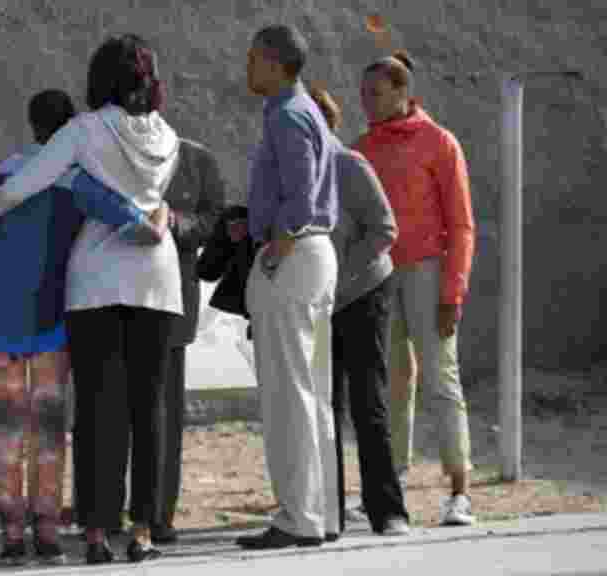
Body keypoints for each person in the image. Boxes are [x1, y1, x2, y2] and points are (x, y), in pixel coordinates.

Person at [0, 34, 182, 565]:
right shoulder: (169, 137)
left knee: (97, 410)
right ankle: (143, 530)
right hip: (158, 282)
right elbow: (157, 205)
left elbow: (30, 182)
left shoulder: (83, 130)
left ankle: (96, 532)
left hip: (97, 278)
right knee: (150, 409)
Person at [355, 50, 477, 526]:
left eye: (376, 94)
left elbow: (462, 226)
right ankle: (389, 486)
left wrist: (453, 293)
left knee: (441, 380)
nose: (366, 102)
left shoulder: (439, 143)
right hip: (379, 275)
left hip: (428, 273)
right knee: (392, 383)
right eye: (363, 94)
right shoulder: (362, 148)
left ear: (403, 93)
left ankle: (459, 492)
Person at [235, 24, 340, 550]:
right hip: (313, 255)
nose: (247, 67)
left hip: (294, 256)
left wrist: (276, 244)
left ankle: (299, 517)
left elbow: (298, 194)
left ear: (275, 63)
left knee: (288, 394)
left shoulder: (288, 115)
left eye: (254, 58)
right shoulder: (304, 112)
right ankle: (320, 514)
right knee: (311, 392)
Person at [308, 86, 410, 537]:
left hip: (364, 292)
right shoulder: (292, 171)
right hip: (318, 300)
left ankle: (387, 511)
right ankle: (328, 512)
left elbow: (384, 229)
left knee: (368, 402)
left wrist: (336, 276)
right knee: (323, 405)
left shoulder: (349, 165)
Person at [113, 138, 226, 544]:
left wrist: (175, 223)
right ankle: (106, 511)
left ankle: (158, 513)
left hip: (171, 300)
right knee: (108, 408)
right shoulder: (107, 147)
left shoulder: (197, 160)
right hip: (113, 295)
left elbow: (213, 220)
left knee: (162, 411)